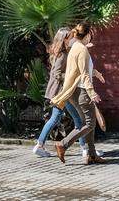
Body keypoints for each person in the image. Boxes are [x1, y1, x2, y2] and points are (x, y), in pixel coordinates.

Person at [32, 28, 97, 158]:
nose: (73, 38)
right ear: (64, 39)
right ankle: (85, 150)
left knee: (56, 118)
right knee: (78, 120)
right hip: (61, 92)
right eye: (70, 36)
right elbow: (56, 74)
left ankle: (39, 145)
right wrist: (70, 77)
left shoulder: (64, 52)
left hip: (61, 92)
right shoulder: (62, 55)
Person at [50, 23, 105, 165]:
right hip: (82, 91)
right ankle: (63, 144)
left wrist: (97, 74)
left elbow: (82, 69)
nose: (90, 38)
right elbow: (84, 73)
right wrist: (92, 92)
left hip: (75, 92)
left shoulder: (75, 47)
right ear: (87, 35)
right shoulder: (81, 50)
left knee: (88, 123)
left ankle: (92, 155)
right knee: (90, 124)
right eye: (90, 36)